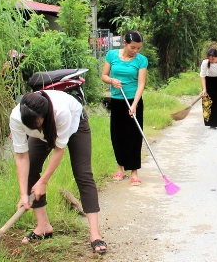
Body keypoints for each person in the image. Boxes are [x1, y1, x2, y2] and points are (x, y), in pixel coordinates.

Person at [10, 90, 107, 255]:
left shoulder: (60, 112)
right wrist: (23, 194)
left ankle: (95, 234)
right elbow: (21, 156)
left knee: (83, 173)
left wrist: (43, 182)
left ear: (45, 116)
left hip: (76, 123)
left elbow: (58, 149)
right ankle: (43, 226)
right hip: (46, 127)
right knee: (31, 167)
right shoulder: (16, 117)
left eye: (37, 123)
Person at [101, 30, 148, 186]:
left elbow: (141, 83)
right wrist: (112, 81)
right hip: (117, 100)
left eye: (138, 48)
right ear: (125, 43)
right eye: (133, 47)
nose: (135, 51)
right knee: (118, 135)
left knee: (134, 135)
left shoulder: (141, 60)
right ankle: (120, 168)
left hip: (133, 100)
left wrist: (134, 104)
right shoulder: (112, 56)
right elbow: (104, 75)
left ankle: (134, 171)